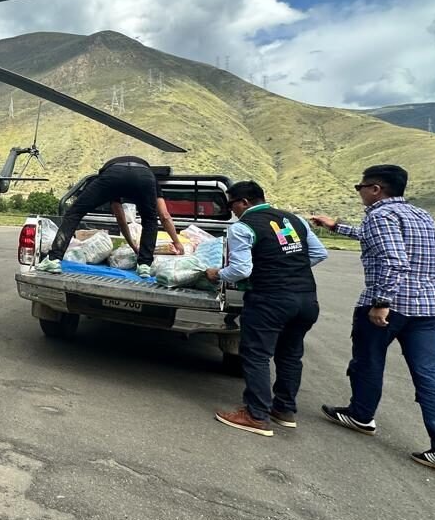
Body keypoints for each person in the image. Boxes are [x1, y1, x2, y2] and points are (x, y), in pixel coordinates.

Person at [311, 165, 435, 480]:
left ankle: (361, 416)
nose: (360, 193)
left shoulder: (379, 216)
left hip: (390, 306)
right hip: (432, 308)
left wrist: (381, 303)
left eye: (361, 187)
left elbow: (393, 259)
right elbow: (379, 241)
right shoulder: (420, 215)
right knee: (433, 377)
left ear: (375, 189)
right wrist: (337, 226)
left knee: (368, 361)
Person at [209, 181, 327, 437]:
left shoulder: (242, 227)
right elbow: (318, 253)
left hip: (270, 299)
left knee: (256, 355)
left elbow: (241, 270)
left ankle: (256, 414)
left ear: (244, 202)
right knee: (290, 354)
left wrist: (216, 274)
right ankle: (284, 410)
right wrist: (289, 269)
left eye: (232, 205)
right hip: (306, 299)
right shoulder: (293, 220)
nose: (232, 211)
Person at [43, 155, 183, 277]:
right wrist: (176, 241)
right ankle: (145, 266)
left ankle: (54, 260)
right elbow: (164, 216)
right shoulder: (150, 178)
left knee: (75, 212)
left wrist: (133, 246)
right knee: (150, 219)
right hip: (144, 176)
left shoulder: (113, 174)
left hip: (113, 173)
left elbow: (121, 220)